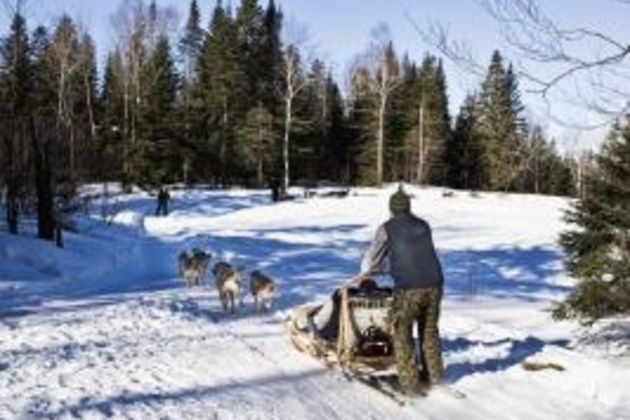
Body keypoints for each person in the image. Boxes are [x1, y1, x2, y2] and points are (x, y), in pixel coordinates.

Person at [356, 185, 445, 395]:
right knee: (429, 331)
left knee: (401, 331)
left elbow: (371, 262)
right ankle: (436, 378)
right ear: (408, 207)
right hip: (435, 285)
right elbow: (415, 253)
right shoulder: (424, 225)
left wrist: (368, 272)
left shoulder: (386, 228)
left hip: (409, 288)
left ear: (392, 208)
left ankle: (409, 384)